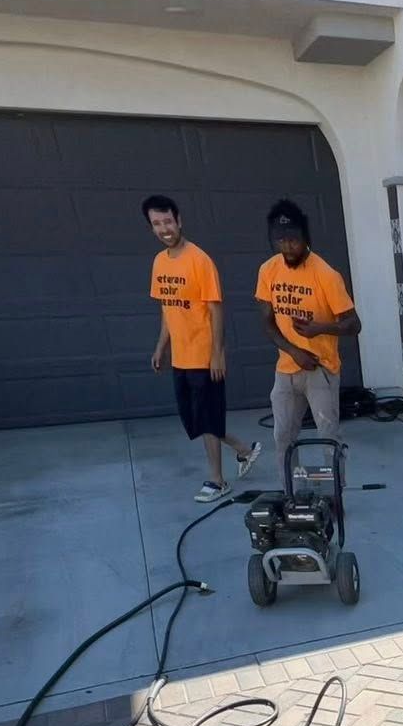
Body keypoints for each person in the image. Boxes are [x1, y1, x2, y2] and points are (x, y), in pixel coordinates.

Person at [143, 193, 260, 502]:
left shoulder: (200, 260)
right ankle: (244, 450)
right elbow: (168, 309)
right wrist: (160, 347)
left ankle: (217, 480)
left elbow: (216, 310)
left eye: (168, 221)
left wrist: (217, 353)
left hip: (204, 356)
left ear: (179, 220)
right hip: (180, 356)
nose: (164, 228)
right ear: (151, 228)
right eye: (157, 224)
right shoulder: (158, 262)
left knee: (207, 418)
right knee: (194, 420)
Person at [255, 199, 361, 484]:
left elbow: (354, 324)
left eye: (294, 240)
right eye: (281, 240)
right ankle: (294, 491)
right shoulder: (268, 270)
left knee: (328, 436)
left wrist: (320, 328)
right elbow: (266, 321)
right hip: (286, 370)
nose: (288, 246)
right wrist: (293, 351)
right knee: (283, 436)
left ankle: (334, 492)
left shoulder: (326, 275)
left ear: (306, 238)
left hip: (321, 370)